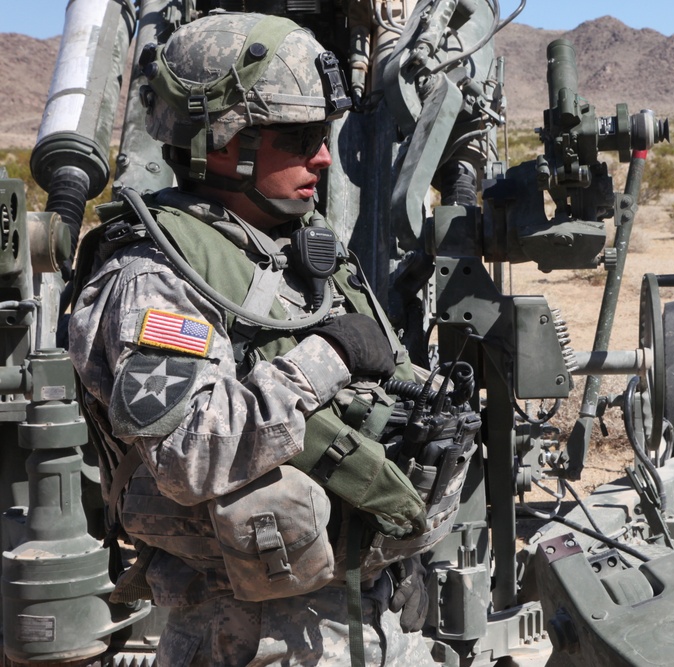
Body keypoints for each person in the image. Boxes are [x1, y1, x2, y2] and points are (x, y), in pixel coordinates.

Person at [69, 12, 449, 666]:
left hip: (364, 615)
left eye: (323, 135)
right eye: (299, 138)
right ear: (221, 142)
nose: (323, 156)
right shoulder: (154, 278)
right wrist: (323, 360)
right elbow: (189, 451)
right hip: (247, 636)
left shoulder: (292, 248)